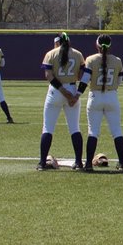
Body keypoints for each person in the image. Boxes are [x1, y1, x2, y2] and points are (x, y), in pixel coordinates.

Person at [38, 32, 85, 171]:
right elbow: (82, 75)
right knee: (74, 128)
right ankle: (78, 162)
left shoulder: (50, 54)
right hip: (72, 89)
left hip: (55, 91)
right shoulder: (78, 54)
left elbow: (49, 75)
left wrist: (63, 91)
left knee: (47, 128)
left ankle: (42, 163)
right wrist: (74, 95)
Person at [81, 35, 123, 171]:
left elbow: (84, 80)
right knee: (117, 131)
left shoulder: (91, 59)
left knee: (93, 132)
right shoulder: (117, 61)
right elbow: (119, 82)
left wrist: (77, 94)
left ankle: (89, 164)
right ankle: (122, 164)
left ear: (97, 46)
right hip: (112, 96)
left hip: (95, 96)